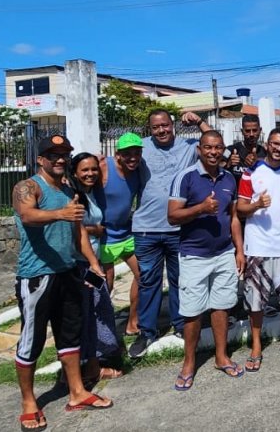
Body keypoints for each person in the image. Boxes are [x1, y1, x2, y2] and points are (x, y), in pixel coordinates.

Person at [12, 135, 112, 430]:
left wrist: (94, 265)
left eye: (63, 154)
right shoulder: (27, 187)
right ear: (40, 159)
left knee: (70, 336)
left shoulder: (69, 189)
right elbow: (27, 215)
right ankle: (29, 402)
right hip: (37, 276)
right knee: (33, 339)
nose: (59, 159)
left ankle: (77, 392)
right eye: (52, 154)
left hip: (69, 272)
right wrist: (61, 213)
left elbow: (78, 231)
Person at [129, 109, 211, 359]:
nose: (162, 130)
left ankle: (179, 326)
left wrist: (199, 121)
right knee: (148, 282)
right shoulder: (140, 148)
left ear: (173, 125)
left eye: (165, 125)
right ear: (150, 129)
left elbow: (217, 145)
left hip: (179, 228)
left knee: (180, 281)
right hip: (146, 228)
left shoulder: (188, 146)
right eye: (156, 127)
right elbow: (119, 165)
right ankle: (147, 331)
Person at [168, 131, 245, 388]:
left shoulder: (229, 179)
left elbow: (233, 217)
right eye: (208, 148)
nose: (213, 152)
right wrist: (200, 208)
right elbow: (172, 216)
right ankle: (189, 363)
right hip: (194, 255)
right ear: (199, 149)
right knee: (192, 312)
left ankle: (221, 356)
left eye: (218, 148)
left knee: (221, 306)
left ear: (223, 150)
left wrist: (239, 250)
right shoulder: (185, 177)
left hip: (223, 253)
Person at [238, 128, 280, 372]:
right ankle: (256, 345)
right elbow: (240, 209)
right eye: (275, 143)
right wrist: (256, 204)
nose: (278, 148)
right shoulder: (251, 172)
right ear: (267, 144)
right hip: (257, 245)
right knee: (255, 300)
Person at [69, 153, 123, 384]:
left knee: (97, 310)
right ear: (74, 173)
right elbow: (74, 228)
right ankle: (92, 368)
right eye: (84, 170)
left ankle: (91, 363)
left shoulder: (88, 193)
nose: (90, 173)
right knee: (92, 314)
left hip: (92, 260)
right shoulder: (73, 196)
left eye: (94, 169)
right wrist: (95, 230)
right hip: (81, 263)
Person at [97, 132, 143, 337]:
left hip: (126, 232)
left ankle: (133, 322)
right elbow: (79, 176)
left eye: (136, 152)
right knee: (106, 285)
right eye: (127, 154)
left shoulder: (139, 169)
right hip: (104, 235)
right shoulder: (103, 166)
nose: (132, 157)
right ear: (118, 154)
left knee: (144, 275)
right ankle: (102, 330)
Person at [226, 115, 267, 186]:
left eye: (254, 130)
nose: (251, 134)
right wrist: (229, 164)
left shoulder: (265, 153)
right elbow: (217, 168)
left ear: (260, 130)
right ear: (242, 131)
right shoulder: (231, 149)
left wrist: (258, 162)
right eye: (247, 131)